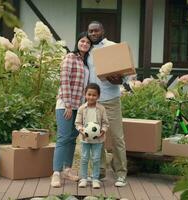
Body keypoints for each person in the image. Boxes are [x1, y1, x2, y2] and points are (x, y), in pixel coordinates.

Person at [87, 21, 128, 187]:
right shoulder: (87, 49)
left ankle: (121, 174)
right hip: (93, 101)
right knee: (96, 137)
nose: (93, 33)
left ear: (102, 30)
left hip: (111, 99)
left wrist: (119, 79)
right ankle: (99, 171)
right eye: (91, 31)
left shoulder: (112, 46)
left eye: (96, 30)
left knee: (117, 138)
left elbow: (125, 75)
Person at [51, 32, 91, 188]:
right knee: (63, 137)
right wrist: (67, 104)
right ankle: (56, 173)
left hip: (79, 106)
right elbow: (64, 80)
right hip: (65, 105)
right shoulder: (70, 57)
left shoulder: (85, 62)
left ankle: (67, 170)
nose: (84, 44)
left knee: (72, 137)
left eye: (87, 43)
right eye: (82, 41)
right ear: (78, 42)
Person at [75, 83, 109, 189]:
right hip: (85, 139)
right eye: (89, 94)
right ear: (85, 95)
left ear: (98, 96)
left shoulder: (101, 109)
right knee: (84, 158)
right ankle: (84, 178)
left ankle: (95, 179)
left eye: (94, 95)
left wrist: (102, 131)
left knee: (96, 159)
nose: (91, 97)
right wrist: (81, 130)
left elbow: (105, 123)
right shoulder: (81, 109)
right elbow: (78, 123)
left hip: (97, 140)